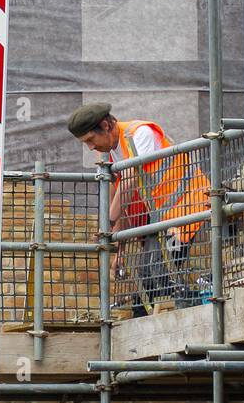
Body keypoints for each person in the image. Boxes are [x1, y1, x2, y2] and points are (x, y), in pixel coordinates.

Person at [67, 102, 209, 309]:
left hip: (189, 205)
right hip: (163, 216)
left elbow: (130, 179)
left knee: (158, 268)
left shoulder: (139, 134)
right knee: (147, 274)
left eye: (90, 139)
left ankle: (187, 308)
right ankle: (167, 311)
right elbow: (120, 198)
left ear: (106, 125)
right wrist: (119, 250)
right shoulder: (108, 153)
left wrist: (108, 223)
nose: (90, 147)